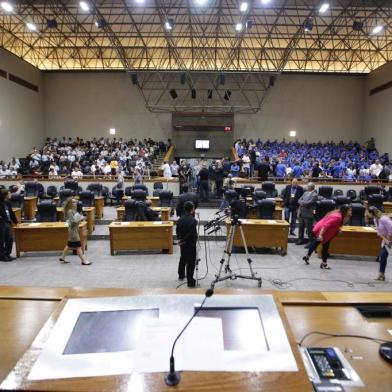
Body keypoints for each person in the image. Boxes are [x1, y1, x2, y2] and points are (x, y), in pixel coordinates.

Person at [303, 205, 352, 269]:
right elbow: (325, 226)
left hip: (325, 232)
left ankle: (309, 257)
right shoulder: (338, 217)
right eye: (349, 210)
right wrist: (320, 235)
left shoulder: (340, 215)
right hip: (322, 231)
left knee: (318, 244)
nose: (351, 212)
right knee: (322, 246)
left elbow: (333, 225)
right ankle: (323, 263)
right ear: (345, 211)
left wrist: (337, 229)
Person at [59, 198, 91, 265]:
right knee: (78, 246)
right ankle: (83, 261)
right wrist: (81, 219)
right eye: (73, 202)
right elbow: (73, 222)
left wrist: (83, 217)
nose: (75, 203)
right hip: (73, 231)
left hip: (75, 229)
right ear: (70, 203)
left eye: (75, 202)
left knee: (69, 244)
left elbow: (76, 219)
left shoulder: (74, 211)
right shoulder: (70, 211)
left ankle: (62, 257)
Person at [367, 206, 392, 281]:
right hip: (386, 240)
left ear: (372, 213)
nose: (367, 214)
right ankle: (381, 274)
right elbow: (379, 232)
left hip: (390, 238)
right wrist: (385, 241)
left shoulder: (384, 219)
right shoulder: (375, 219)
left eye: (368, 213)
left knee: (383, 255)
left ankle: (381, 274)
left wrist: (388, 240)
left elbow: (391, 230)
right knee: (383, 256)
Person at [176, 201, 197, 288]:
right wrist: (184, 240)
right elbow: (192, 234)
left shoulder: (180, 220)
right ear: (192, 209)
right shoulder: (193, 220)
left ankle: (181, 275)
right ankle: (190, 281)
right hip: (190, 243)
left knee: (183, 258)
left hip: (182, 243)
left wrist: (180, 240)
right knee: (191, 262)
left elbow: (177, 231)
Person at [0, 190, 18, 261]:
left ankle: (7, 254)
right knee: (1, 240)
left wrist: (16, 222)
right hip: (1, 223)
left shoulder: (7, 202)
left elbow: (11, 213)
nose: (10, 194)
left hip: (7, 223)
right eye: (9, 193)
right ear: (5, 195)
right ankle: (2, 256)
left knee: (10, 239)